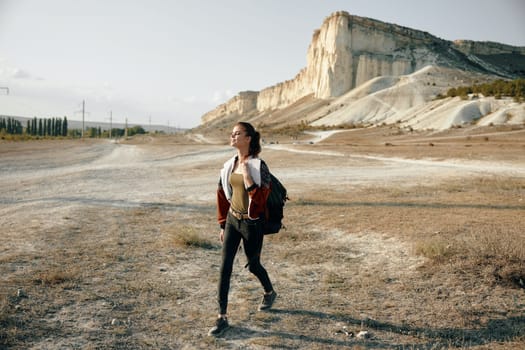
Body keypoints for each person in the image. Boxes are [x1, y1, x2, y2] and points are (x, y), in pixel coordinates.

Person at [208, 122, 277, 337]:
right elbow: (221, 193)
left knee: (253, 265)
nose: (232, 136)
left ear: (248, 138)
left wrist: (247, 178)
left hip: (252, 223)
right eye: (232, 133)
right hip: (232, 220)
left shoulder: (258, 167)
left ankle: (269, 291)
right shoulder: (229, 164)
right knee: (224, 267)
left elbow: (259, 202)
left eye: (237, 133)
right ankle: (222, 317)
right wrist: (222, 224)